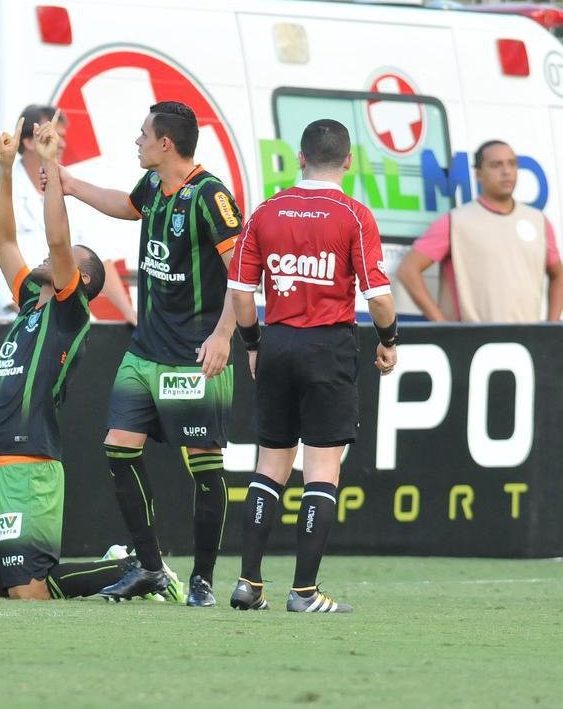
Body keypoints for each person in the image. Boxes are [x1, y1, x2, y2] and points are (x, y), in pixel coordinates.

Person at [0, 113, 179, 601]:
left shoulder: (67, 311)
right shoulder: (29, 302)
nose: (46, 256)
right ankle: (129, 567)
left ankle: (133, 569)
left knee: (28, 595)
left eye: (64, 261)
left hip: (29, 463)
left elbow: (58, 240)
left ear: (78, 280)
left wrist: (50, 163)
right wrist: (3, 171)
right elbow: (2, 240)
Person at [57, 101, 241, 604]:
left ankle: (202, 579)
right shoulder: (155, 188)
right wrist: (71, 185)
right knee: (119, 446)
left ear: (166, 144)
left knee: (203, 461)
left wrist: (224, 335)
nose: (136, 142)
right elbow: (126, 206)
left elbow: (243, 273)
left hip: (194, 355)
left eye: (143, 135)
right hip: (146, 350)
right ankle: (151, 568)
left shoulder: (210, 196)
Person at [225, 118, 397, 613]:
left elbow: (240, 293)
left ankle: (248, 583)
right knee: (321, 470)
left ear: (299, 157)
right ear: (347, 162)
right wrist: (388, 340)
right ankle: (302, 592)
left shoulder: (265, 212)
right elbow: (380, 299)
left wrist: (255, 344)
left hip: (277, 343)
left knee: (269, 466)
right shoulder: (354, 215)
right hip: (328, 346)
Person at [0, 104, 136, 324]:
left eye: (60, 136)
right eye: (52, 135)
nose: (61, 143)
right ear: (28, 142)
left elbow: (97, 258)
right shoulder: (1, 196)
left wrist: (130, 314)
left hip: (58, 315)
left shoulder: (70, 191)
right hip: (10, 317)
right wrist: (31, 312)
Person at [396, 139, 563, 322]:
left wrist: (552, 326)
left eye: (512, 163)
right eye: (495, 165)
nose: (506, 171)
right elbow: (408, 269)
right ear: (478, 174)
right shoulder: (456, 222)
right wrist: (443, 326)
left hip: (529, 342)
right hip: (478, 344)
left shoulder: (538, 221)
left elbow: (558, 274)